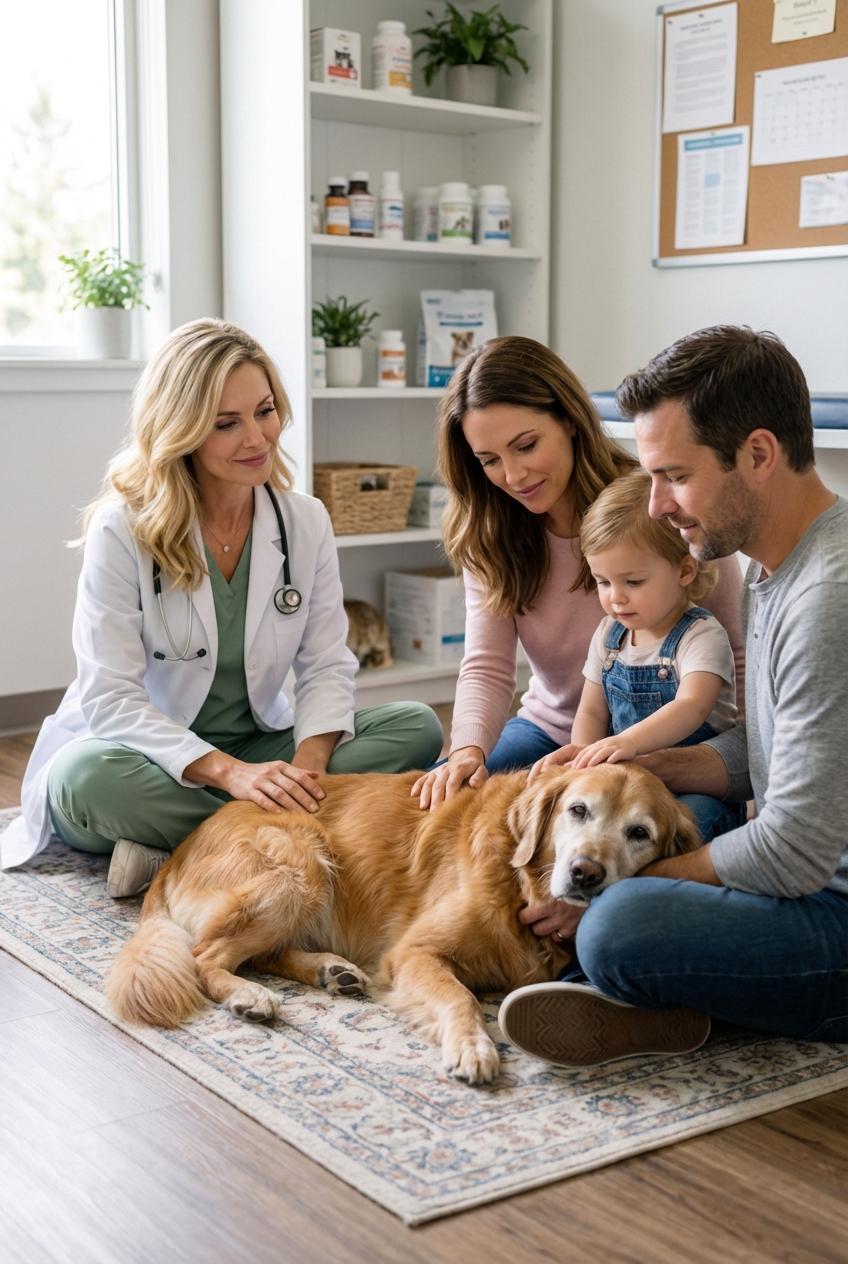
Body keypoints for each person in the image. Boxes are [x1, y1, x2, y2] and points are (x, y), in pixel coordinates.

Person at [498, 326, 848, 1064]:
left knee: (615, 925)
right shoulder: (767, 570)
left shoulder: (827, 599)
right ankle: (672, 1004)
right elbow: (764, 758)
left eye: (675, 476)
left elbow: (791, 854)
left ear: (758, 454)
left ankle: (671, 1003)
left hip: (832, 909)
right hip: (809, 876)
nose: (656, 506)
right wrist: (644, 771)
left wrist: (623, 876)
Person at [1, 319, 443, 894]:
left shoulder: (303, 521)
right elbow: (110, 698)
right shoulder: (123, 527)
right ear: (181, 430)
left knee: (416, 726)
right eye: (226, 424)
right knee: (83, 779)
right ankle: (291, 845)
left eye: (265, 411)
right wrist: (231, 775)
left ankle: (187, 852)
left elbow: (327, 665)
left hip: (260, 743)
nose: (258, 438)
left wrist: (306, 773)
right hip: (148, 756)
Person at [412, 337, 746, 853]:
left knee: (665, 843)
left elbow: (738, 657)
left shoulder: (659, 508)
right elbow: (488, 666)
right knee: (444, 809)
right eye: (489, 460)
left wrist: (749, 773)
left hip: (679, 743)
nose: (513, 475)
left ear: (569, 418)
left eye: (526, 445)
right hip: (555, 731)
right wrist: (465, 751)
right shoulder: (490, 534)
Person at [554, 471, 741, 806]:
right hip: (627, 782)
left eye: (633, 582)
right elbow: (591, 713)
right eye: (603, 582)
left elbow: (692, 706)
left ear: (685, 571)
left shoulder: (701, 635)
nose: (616, 598)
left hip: (694, 785)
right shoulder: (609, 636)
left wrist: (626, 743)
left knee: (697, 822)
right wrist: (584, 760)